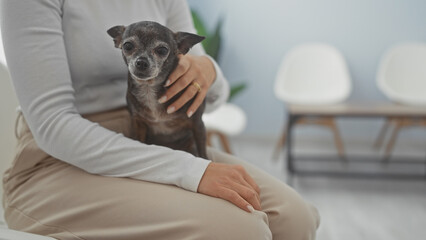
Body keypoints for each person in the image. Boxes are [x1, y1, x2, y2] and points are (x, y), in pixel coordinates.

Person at [1, 0, 319, 239]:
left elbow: (209, 93)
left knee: (294, 217)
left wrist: (208, 70)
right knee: (238, 230)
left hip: (160, 138)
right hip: (60, 158)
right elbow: (52, 126)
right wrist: (190, 169)